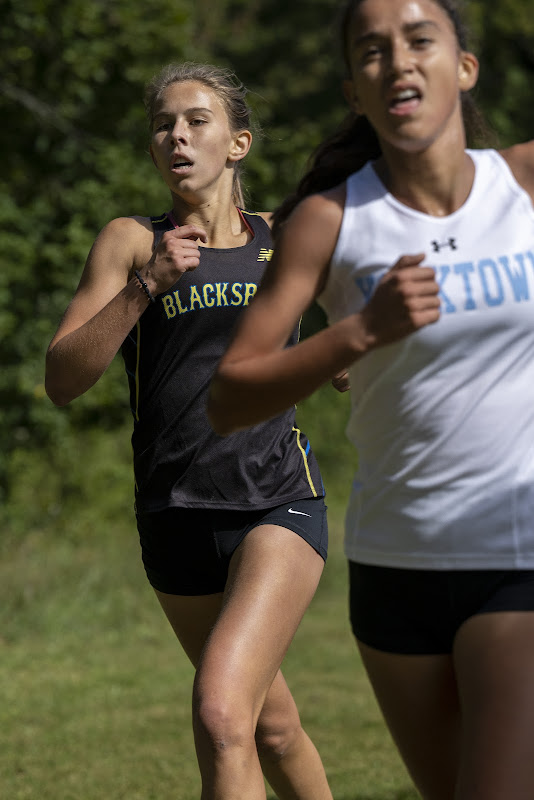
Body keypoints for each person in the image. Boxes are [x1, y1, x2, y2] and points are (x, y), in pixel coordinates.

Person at [208, 1, 534, 798]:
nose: (398, 60)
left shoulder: (525, 182)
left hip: (515, 554)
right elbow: (229, 395)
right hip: (394, 565)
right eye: (372, 50)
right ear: (356, 88)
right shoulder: (328, 221)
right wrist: (358, 332)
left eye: (421, 40)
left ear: (463, 66)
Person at [45, 62, 334, 800]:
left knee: (219, 714)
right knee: (269, 726)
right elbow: (63, 380)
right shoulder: (132, 242)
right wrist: (146, 289)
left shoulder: (287, 235)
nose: (176, 135)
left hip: (276, 500)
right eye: (163, 125)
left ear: (236, 144)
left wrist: (352, 360)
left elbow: (359, 341)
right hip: (173, 512)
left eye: (196, 120)